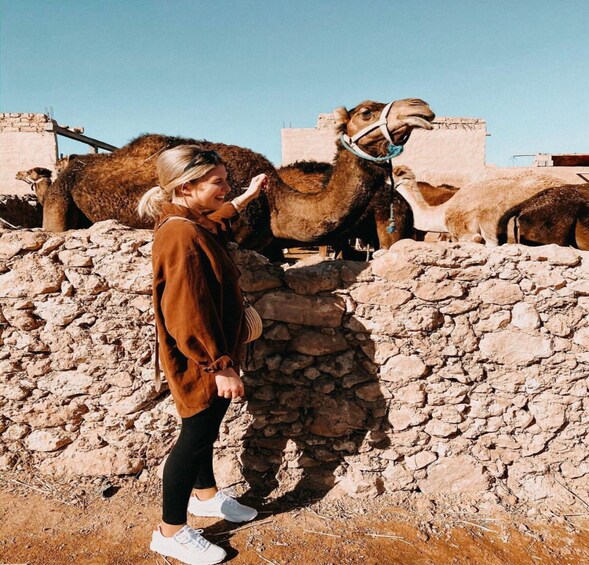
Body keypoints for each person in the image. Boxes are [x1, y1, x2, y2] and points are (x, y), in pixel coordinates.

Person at [137, 145, 268, 565]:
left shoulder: (189, 223)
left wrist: (244, 198)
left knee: (205, 431)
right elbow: (186, 311)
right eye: (219, 183)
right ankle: (170, 531)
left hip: (208, 357)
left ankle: (207, 497)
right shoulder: (180, 234)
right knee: (194, 438)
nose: (226, 189)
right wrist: (221, 365)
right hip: (200, 359)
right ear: (186, 185)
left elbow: (215, 227)